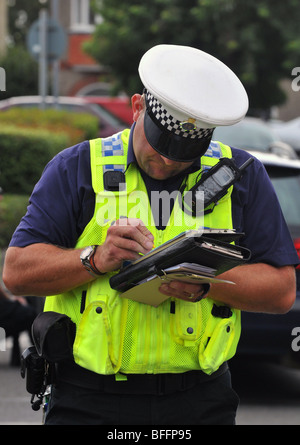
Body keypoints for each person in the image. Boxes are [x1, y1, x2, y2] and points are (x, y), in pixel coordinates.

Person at [2, 44, 298, 425]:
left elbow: (281, 291)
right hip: (89, 401)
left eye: (186, 154)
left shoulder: (242, 174)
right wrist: (94, 259)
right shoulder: (76, 168)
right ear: (138, 106)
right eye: (159, 147)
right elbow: (16, 272)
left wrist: (208, 283)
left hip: (198, 402)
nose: (169, 161)